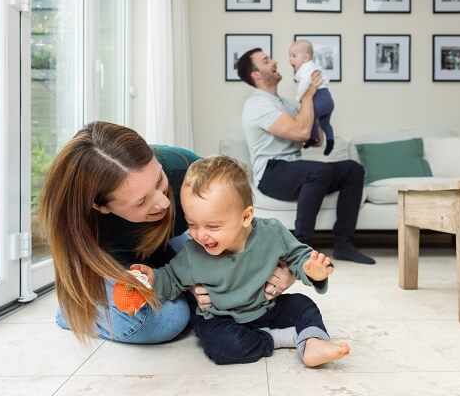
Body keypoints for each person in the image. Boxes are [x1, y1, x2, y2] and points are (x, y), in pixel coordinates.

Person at [39, 121, 296, 344]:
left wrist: (285, 270)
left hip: (169, 243)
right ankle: (73, 312)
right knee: (170, 319)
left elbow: (245, 229)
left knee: (224, 290)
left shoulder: (184, 169)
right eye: (142, 202)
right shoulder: (81, 218)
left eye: (159, 181)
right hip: (117, 261)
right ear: (102, 206)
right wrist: (185, 285)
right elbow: (84, 270)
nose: (163, 203)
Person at [134, 155, 350, 366]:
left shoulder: (272, 232)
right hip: (220, 317)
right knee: (223, 346)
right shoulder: (193, 253)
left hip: (266, 307)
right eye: (192, 224)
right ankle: (280, 339)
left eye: (213, 226)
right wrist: (151, 278)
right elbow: (170, 278)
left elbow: (298, 256)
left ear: (246, 217)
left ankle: (314, 341)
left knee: (303, 305)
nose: (200, 235)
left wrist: (313, 271)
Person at [238, 48, 375, 265]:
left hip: (295, 169)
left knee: (352, 169)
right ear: (256, 74)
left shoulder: (286, 104)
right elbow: (301, 132)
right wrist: (309, 95)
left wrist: (316, 100)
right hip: (271, 173)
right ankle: (301, 249)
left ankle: (344, 245)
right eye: (266, 61)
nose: (275, 62)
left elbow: (315, 138)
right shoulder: (257, 103)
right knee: (317, 171)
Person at [289, 39, 334, 155]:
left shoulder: (306, 68)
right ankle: (330, 141)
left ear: (305, 57)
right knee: (325, 123)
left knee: (310, 116)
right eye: (290, 56)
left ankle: (313, 138)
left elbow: (304, 82)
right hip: (328, 99)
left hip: (320, 97)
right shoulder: (314, 67)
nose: (290, 59)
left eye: (294, 56)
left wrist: (299, 97)